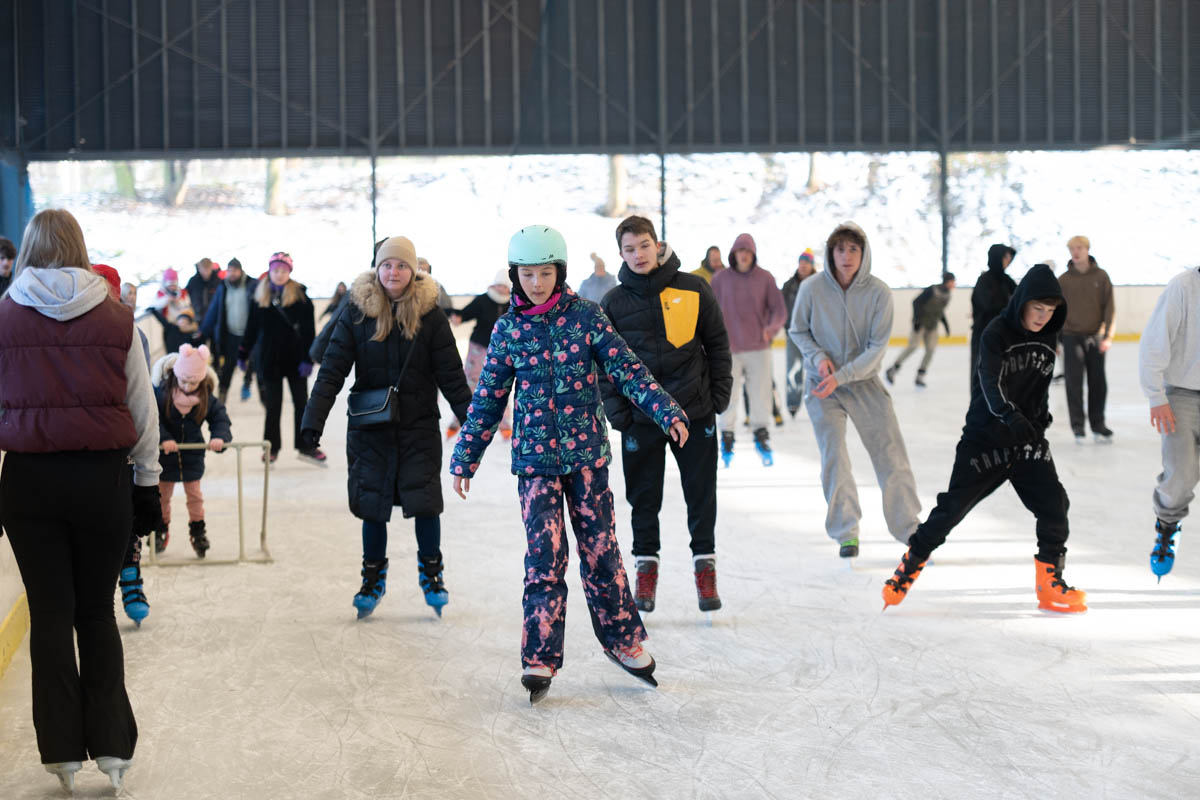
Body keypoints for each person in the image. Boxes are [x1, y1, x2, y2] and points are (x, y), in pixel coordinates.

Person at [449, 224, 689, 704]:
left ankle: (623, 639)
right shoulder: (509, 330)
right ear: (516, 276)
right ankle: (539, 655)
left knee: (602, 552)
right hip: (535, 463)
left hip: (586, 459)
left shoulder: (587, 317)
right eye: (528, 274)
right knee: (545, 558)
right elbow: (488, 400)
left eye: (545, 273)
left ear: (560, 272)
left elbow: (626, 368)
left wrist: (665, 409)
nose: (537, 282)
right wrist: (465, 457)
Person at [0, 208, 163, 791]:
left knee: (49, 615)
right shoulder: (118, 319)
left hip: (30, 482)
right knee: (95, 612)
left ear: (26, 251)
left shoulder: (3, 318)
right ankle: (113, 748)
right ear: (79, 247)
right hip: (103, 482)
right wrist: (148, 481)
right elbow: (143, 408)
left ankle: (62, 754)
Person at [882, 264, 1088, 613]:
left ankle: (1050, 583)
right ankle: (911, 563)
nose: (1043, 317)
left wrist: (1039, 418)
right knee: (950, 511)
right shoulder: (996, 333)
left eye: (1050, 311)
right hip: (986, 440)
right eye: (1037, 308)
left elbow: (1037, 387)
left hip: (1026, 441)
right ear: (1022, 301)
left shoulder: (1048, 336)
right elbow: (989, 383)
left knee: (1056, 507)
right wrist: (1009, 416)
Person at [301, 236, 472, 619]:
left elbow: (452, 378)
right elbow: (331, 370)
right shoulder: (357, 312)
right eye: (387, 265)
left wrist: (475, 427)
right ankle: (372, 578)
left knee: (426, 502)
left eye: (401, 265)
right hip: (370, 427)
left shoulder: (431, 317)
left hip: (418, 426)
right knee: (372, 506)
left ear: (413, 271)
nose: (393, 272)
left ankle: (432, 574)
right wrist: (312, 421)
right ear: (377, 269)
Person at [601, 215, 731, 614]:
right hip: (641, 419)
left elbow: (718, 344)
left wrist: (718, 398)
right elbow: (604, 364)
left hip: (694, 414)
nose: (638, 255)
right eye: (629, 249)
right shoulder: (614, 302)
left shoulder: (694, 289)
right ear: (620, 253)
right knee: (643, 499)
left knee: (700, 494)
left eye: (644, 245)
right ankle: (645, 570)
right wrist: (619, 414)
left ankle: (704, 569)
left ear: (658, 245)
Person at [788, 222, 921, 558]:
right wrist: (819, 359)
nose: (846, 257)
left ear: (864, 254)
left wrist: (844, 375)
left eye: (853, 250)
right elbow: (798, 330)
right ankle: (846, 531)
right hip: (822, 384)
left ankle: (909, 528)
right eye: (840, 249)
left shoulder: (878, 293)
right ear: (831, 254)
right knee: (835, 455)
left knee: (890, 451)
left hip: (863, 381)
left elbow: (877, 349)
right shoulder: (812, 288)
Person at [1138, 265, 1200, 581]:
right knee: (1181, 474)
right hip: (1183, 395)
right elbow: (1154, 342)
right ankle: (1167, 525)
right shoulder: (1183, 287)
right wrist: (1156, 396)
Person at [710, 232, 787, 467]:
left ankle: (761, 433)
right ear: (733, 254)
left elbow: (779, 310)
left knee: (760, 392)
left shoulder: (765, 278)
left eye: (747, 252)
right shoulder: (720, 279)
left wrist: (771, 329)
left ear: (753, 254)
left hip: (758, 347)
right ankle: (727, 435)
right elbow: (709, 312)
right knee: (728, 395)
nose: (743, 256)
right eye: (739, 252)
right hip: (728, 349)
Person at [149, 344, 231, 559]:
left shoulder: (205, 396)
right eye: (184, 380)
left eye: (193, 382)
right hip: (165, 457)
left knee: (194, 497)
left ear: (202, 380)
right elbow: (152, 420)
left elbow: (220, 417)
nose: (188, 385)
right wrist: (164, 438)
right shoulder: (162, 393)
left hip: (192, 456)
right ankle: (161, 529)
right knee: (162, 497)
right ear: (176, 374)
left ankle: (198, 531)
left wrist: (219, 436)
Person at [237, 252, 319, 465]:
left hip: (296, 360)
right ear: (270, 271)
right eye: (276, 270)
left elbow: (310, 331)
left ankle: (306, 445)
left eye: (283, 271)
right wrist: (243, 353)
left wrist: (308, 359)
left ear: (289, 272)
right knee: (273, 406)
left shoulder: (301, 297)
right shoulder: (260, 296)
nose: (279, 274)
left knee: (302, 403)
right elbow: (251, 329)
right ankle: (271, 447)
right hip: (269, 360)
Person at [1059, 236, 1115, 444]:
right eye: (1072, 248)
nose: (1076, 252)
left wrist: (1108, 336)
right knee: (1073, 384)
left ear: (1087, 249)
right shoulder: (1064, 280)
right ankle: (1078, 428)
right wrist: (1055, 340)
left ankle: (1098, 425)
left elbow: (1109, 307)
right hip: (1071, 337)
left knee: (1098, 383)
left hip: (1095, 337)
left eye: (1079, 248)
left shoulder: (1101, 276)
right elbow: (1057, 310)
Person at [447, 268, 513, 440]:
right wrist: (455, 316)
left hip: (501, 350)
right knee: (470, 384)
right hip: (478, 348)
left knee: (500, 386)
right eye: (498, 285)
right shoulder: (483, 300)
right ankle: (457, 422)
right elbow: (465, 314)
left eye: (504, 287)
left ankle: (505, 426)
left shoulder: (512, 303)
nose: (501, 290)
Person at [200, 257, 257, 403]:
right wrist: (203, 331)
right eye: (229, 270)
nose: (232, 273)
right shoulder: (223, 287)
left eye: (235, 270)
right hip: (231, 334)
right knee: (229, 365)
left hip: (250, 334)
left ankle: (247, 383)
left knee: (253, 361)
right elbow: (214, 311)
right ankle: (223, 393)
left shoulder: (252, 285)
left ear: (241, 271)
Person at [886, 272, 956, 388]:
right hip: (920, 323)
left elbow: (940, 311)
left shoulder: (948, 295)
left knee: (931, 350)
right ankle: (893, 369)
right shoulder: (932, 290)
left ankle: (920, 376)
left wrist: (946, 325)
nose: (954, 284)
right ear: (948, 281)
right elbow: (916, 302)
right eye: (953, 281)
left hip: (932, 325)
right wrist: (917, 320)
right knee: (913, 346)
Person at [970, 243, 1017, 395]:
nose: (1008, 260)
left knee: (1003, 373)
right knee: (981, 371)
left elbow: (1019, 297)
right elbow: (987, 305)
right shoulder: (984, 280)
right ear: (998, 258)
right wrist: (1008, 308)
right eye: (1005, 257)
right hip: (984, 334)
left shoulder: (1006, 280)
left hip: (1004, 335)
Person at [781, 249, 817, 416]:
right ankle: (793, 403)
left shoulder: (819, 284)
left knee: (816, 369)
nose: (803, 266)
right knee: (793, 370)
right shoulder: (789, 286)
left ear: (811, 265)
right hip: (793, 335)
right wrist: (786, 326)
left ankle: (819, 401)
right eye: (801, 262)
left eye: (807, 263)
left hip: (816, 336)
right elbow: (780, 308)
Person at [184, 257, 222, 331]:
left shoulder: (218, 282)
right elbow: (185, 295)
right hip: (197, 318)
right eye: (203, 269)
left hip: (214, 318)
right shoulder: (193, 281)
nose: (205, 272)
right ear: (199, 268)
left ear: (211, 267)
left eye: (207, 269)